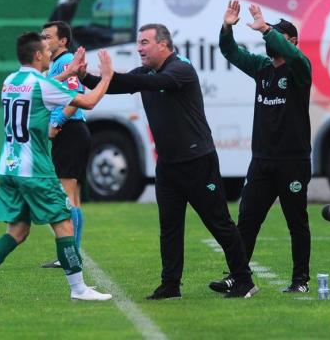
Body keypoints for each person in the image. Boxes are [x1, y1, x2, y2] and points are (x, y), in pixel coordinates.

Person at [79, 23, 258, 299]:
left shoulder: (181, 69)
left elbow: (151, 83)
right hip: (168, 164)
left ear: (163, 45)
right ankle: (170, 285)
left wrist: (114, 76)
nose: (139, 48)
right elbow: (117, 84)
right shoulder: (147, 73)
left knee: (219, 223)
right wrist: (87, 76)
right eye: (138, 42)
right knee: (170, 227)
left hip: (198, 161)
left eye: (144, 42)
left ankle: (244, 280)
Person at [0, 32, 113, 302]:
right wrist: (106, 77)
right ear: (37, 55)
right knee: (64, 224)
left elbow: (40, 86)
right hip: (34, 169)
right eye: (46, 50)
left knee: (18, 231)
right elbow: (89, 102)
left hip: (8, 168)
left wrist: (67, 71)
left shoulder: (10, 80)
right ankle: (79, 289)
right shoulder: (42, 85)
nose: (49, 54)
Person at [210, 0, 312, 294]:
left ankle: (300, 280)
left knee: (296, 221)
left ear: (291, 41)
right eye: (269, 35)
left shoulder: (299, 69)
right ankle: (237, 275)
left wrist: (267, 28)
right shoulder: (262, 67)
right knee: (247, 219)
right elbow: (230, 52)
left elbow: (294, 56)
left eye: (278, 36)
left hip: (293, 160)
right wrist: (227, 27)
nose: (269, 41)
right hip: (262, 160)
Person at [40, 21, 90, 269]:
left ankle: (69, 255)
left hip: (70, 131)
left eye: (48, 36)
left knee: (67, 195)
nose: (43, 40)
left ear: (63, 41)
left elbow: (76, 97)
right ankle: (73, 252)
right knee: (73, 197)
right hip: (73, 132)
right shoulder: (57, 64)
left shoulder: (65, 61)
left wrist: (57, 122)